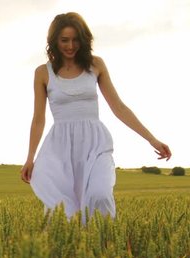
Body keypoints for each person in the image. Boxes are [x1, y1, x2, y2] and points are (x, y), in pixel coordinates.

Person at [20, 12, 171, 221]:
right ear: (54, 41)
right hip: (60, 148)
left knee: (100, 194)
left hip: (95, 144)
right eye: (64, 40)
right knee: (65, 210)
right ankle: (74, 249)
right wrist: (30, 157)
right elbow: (38, 119)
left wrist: (152, 138)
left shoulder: (96, 65)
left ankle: (105, 244)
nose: (71, 45)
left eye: (76, 39)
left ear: (84, 40)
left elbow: (119, 107)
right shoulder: (42, 73)